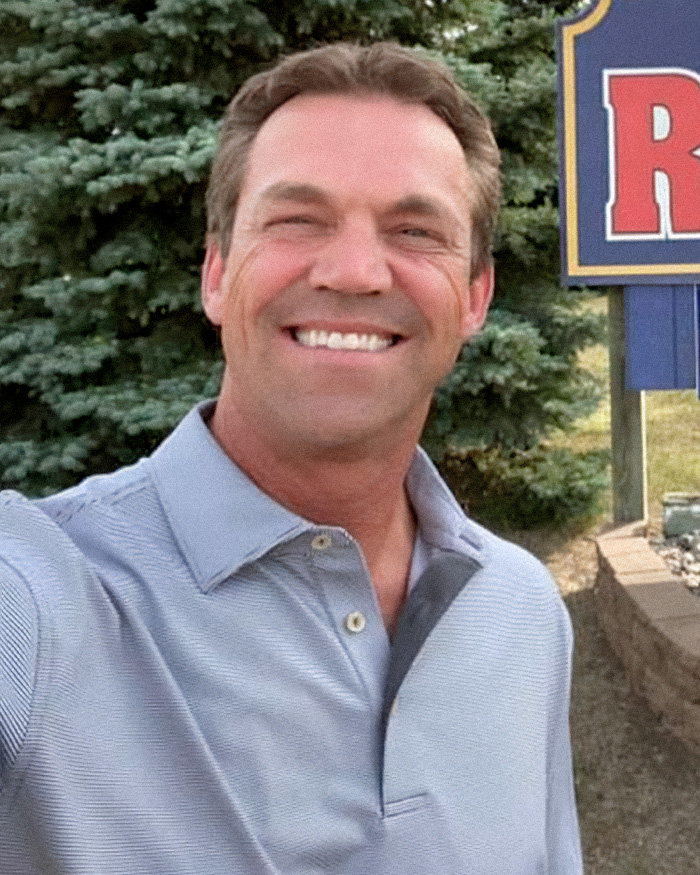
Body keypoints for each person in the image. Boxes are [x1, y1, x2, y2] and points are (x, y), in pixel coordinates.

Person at [0, 42, 583, 875]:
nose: (352, 270)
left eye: (415, 231)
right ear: (217, 274)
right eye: (296, 219)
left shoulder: (521, 613)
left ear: (475, 299)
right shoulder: (38, 600)